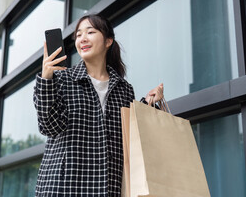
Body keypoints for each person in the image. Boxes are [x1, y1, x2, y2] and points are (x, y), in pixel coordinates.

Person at [33, 14, 164, 196]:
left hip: (109, 186)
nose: (82, 39)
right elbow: (49, 126)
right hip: (65, 186)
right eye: (78, 35)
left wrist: (148, 103)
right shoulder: (62, 79)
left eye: (90, 32)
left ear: (108, 41)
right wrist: (46, 79)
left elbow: (130, 133)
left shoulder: (124, 88)